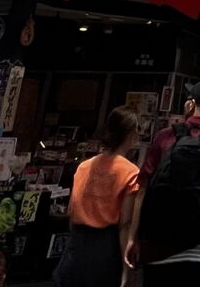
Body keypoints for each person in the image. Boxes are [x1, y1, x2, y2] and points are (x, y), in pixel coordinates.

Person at [134, 81, 200, 287]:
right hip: (199, 248)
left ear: (190, 105)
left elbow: (142, 190)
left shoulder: (165, 136)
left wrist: (133, 237)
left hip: (157, 246)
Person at [55, 105, 141, 287]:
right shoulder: (131, 173)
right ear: (131, 134)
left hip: (76, 246)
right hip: (106, 249)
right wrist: (127, 270)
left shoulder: (84, 166)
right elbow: (125, 224)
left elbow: (72, 210)